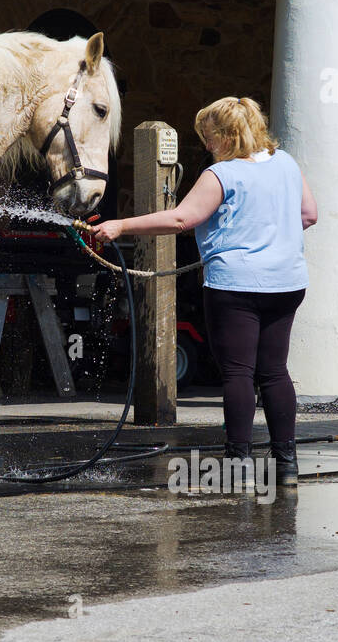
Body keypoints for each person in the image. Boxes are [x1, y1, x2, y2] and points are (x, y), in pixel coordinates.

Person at [90, 96, 317, 486]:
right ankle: (286, 464)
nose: (207, 146)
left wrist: (120, 226)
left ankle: (239, 463)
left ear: (227, 136)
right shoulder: (287, 163)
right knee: (275, 372)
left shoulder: (221, 174)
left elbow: (182, 219)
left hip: (236, 284)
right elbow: (309, 215)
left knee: (239, 373)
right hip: (287, 281)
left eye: (209, 137)